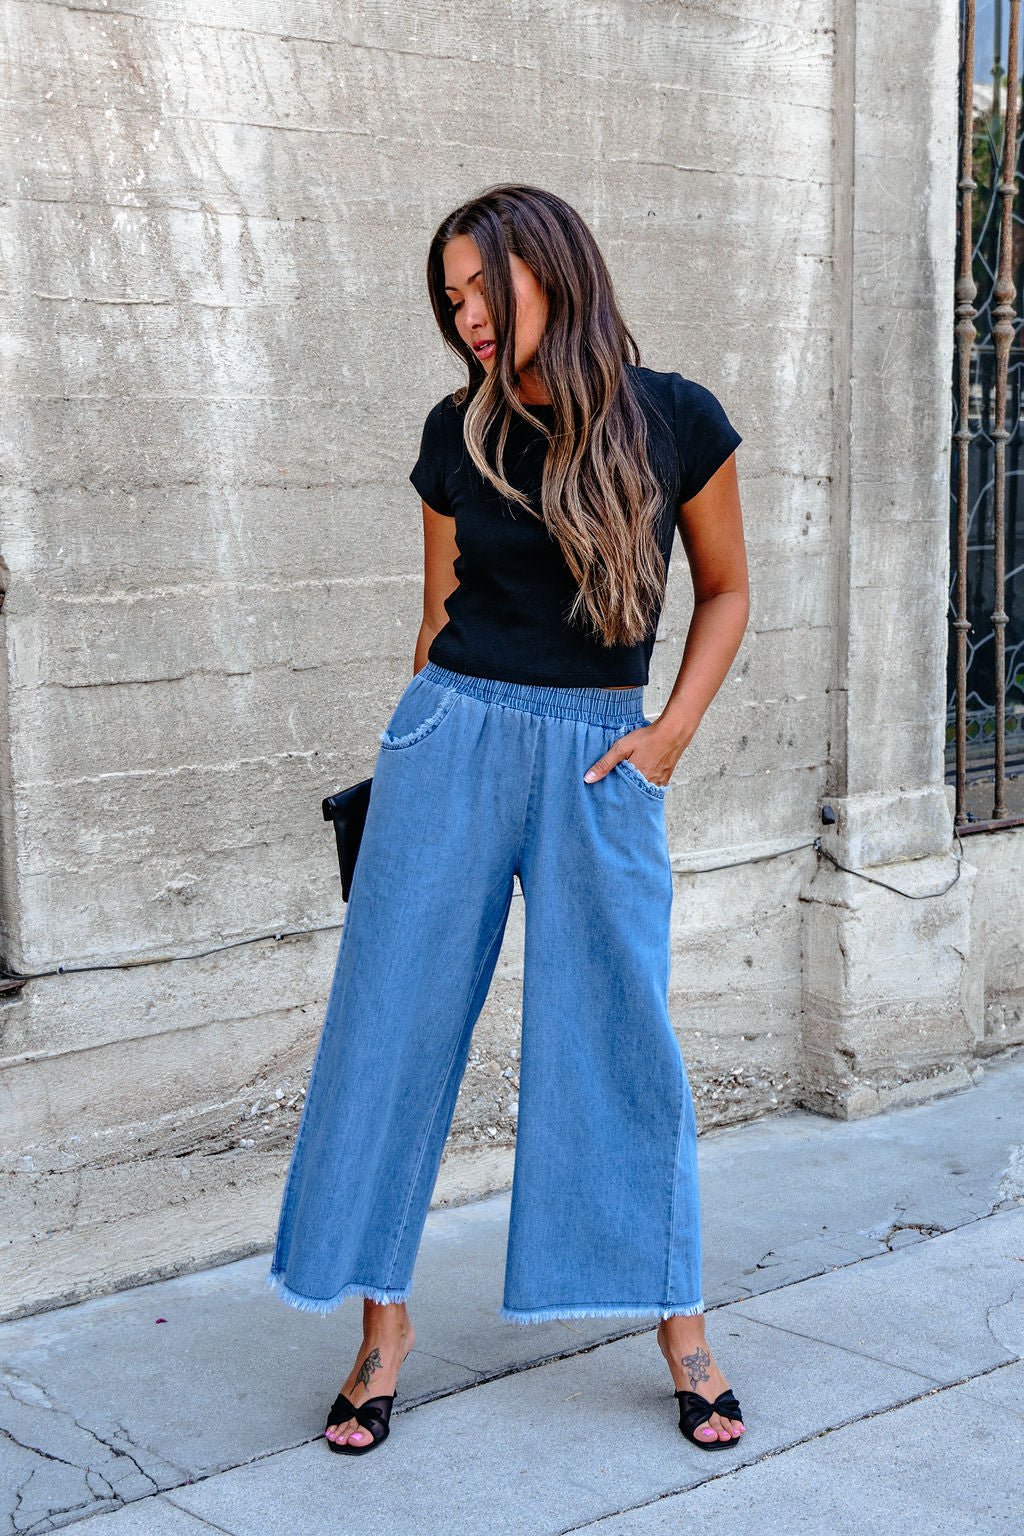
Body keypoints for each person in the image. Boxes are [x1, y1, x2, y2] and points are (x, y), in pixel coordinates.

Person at [267, 183, 749, 1456]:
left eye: (484, 284)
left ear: (553, 268)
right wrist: (412, 762)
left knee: (621, 1035)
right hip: (453, 739)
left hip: (602, 754)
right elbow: (435, 618)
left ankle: (681, 1328)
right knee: (389, 1029)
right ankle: (380, 1333)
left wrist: (669, 735)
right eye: (451, 297)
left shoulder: (675, 419)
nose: (467, 314)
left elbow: (725, 591)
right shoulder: (456, 431)